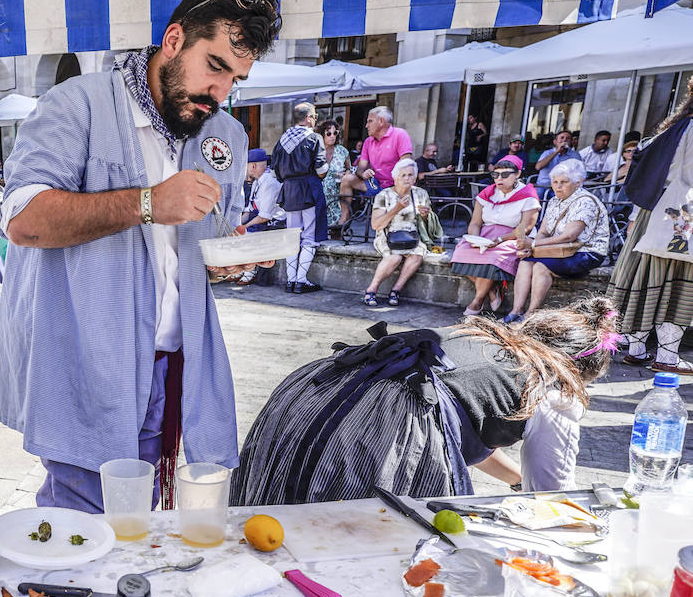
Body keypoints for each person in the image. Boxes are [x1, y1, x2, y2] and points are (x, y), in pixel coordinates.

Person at [0, 0, 281, 512]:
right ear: (173, 41)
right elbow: (23, 220)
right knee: (82, 516)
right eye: (214, 66)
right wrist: (147, 203)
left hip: (174, 367)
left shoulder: (225, 135)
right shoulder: (76, 104)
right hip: (86, 363)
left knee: (144, 518)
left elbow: (197, 248)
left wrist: (229, 258)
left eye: (234, 79)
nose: (218, 94)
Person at [232, 296, 618, 505]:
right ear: (579, 369)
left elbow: (464, 425)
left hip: (316, 392)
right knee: (361, 536)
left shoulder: (482, 338)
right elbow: (551, 493)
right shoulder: (552, 386)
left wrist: (515, 480)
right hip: (385, 424)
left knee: (280, 515)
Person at [607, 78, 693, 374]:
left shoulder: (674, 128)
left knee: (642, 278)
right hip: (683, 214)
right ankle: (667, 356)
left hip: (650, 212)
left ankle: (637, 348)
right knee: (679, 280)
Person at [506, 159, 610, 323]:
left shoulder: (585, 201)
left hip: (586, 251)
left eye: (564, 182)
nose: (558, 186)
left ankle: (530, 314)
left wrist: (533, 244)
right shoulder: (555, 200)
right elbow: (544, 231)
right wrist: (532, 249)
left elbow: (569, 236)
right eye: (555, 182)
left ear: (578, 182)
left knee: (541, 266)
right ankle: (515, 310)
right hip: (559, 249)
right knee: (525, 261)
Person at [451, 155, 541, 316]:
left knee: (493, 256)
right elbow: (475, 223)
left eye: (505, 175)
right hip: (486, 234)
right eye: (495, 175)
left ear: (518, 174)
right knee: (461, 251)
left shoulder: (528, 195)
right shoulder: (487, 193)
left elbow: (525, 228)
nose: (499, 179)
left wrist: (499, 240)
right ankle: (492, 289)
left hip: (513, 236)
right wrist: (474, 239)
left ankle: (477, 301)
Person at [270, 102, 327, 293]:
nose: (315, 120)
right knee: (309, 236)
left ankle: (290, 281)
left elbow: (275, 173)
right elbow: (321, 169)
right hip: (309, 188)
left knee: (292, 235)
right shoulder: (314, 138)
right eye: (315, 117)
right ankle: (301, 281)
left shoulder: (282, 140)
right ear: (309, 117)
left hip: (289, 190)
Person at [363, 158, 432, 308]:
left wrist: (426, 215)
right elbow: (376, 225)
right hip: (388, 233)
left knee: (418, 254)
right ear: (395, 177)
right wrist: (397, 208)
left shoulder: (421, 193)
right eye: (403, 175)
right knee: (395, 256)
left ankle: (396, 290)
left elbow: (426, 224)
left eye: (411, 175)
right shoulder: (384, 195)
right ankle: (372, 289)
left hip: (412, 235)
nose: (407, 178)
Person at [337, 106, 412, 235]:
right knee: (347, 179)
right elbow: (360, 168)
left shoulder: (400, 134)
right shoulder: (368, 141)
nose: (366, 125)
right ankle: (343, 222)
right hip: (376, 183)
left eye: (370, 121)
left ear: (381, 121)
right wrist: (363, 173)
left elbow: (407, 165)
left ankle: (394, 228)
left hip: (396, 187)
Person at [243, 147, 285, 230]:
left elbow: (264, 217)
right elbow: (249, 211)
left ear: (253, 166)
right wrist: (237, 225)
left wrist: (243, 228)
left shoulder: (270, 181)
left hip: (273, 225)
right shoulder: (257, 180)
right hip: (258, 221)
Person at [319, 119, 350, 232]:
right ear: (322, 134)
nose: (332, 136)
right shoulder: (316, 151)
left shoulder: (342, 151)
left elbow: (349, 170)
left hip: (336, 197)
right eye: (328, 133)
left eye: (335, 133)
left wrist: (344, 175)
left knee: (336, 230)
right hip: (319, 196)